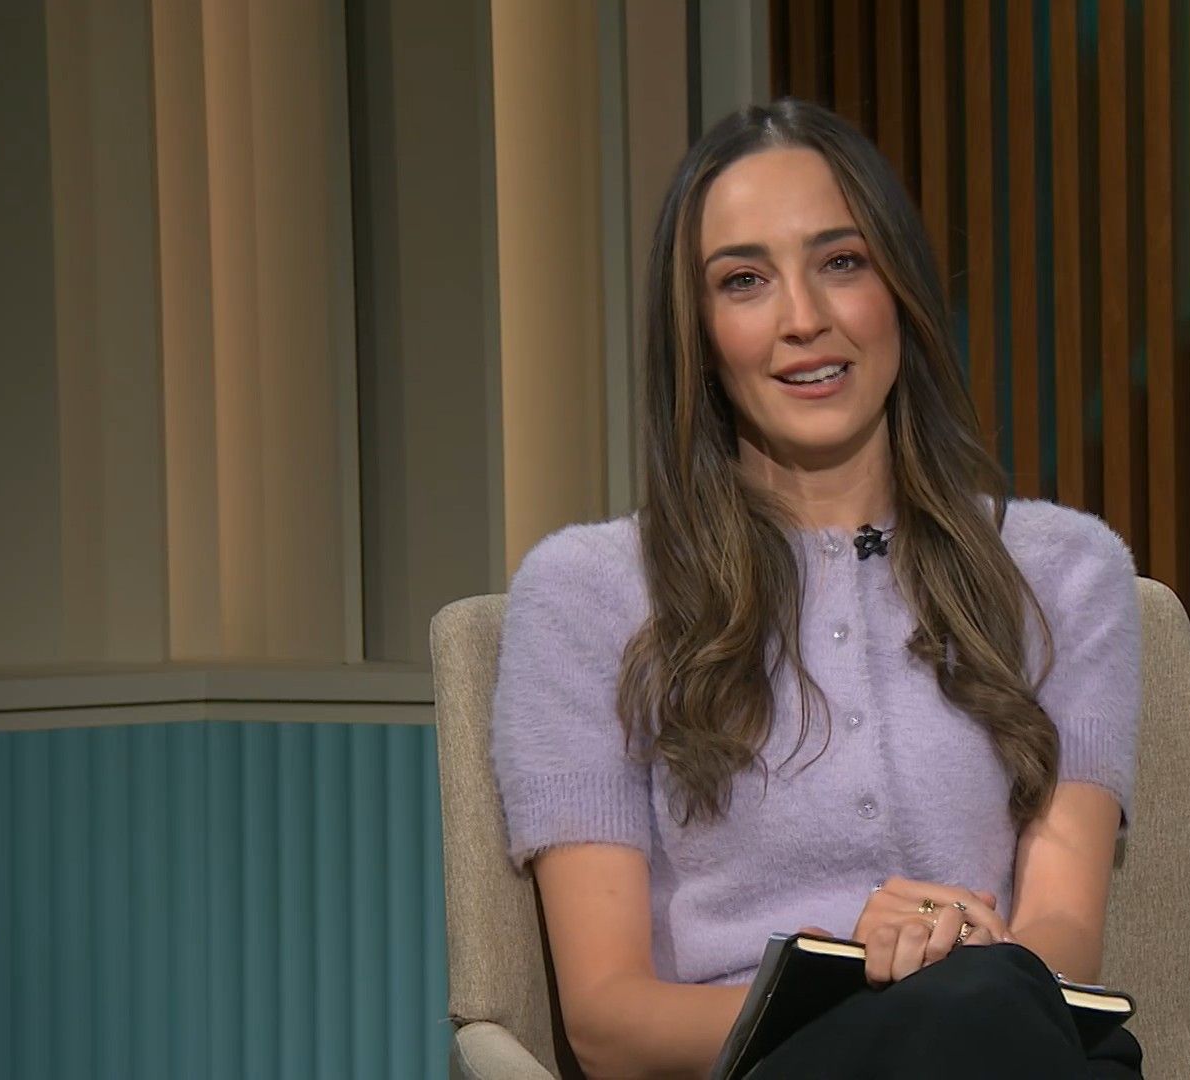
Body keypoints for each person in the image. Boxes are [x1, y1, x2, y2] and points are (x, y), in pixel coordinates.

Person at [489, 97, 1146, 1079]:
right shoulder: (586, 594)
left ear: (900, 290)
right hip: (757, 1063)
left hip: (1000, 1033)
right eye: (744, 281)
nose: (804, 319)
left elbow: (1061, 936)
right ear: (699, 332)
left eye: (842, 262)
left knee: (1002, 1011)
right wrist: (863, 994)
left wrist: (968, 968)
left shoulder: (1065, 573)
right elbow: (610, 1021)